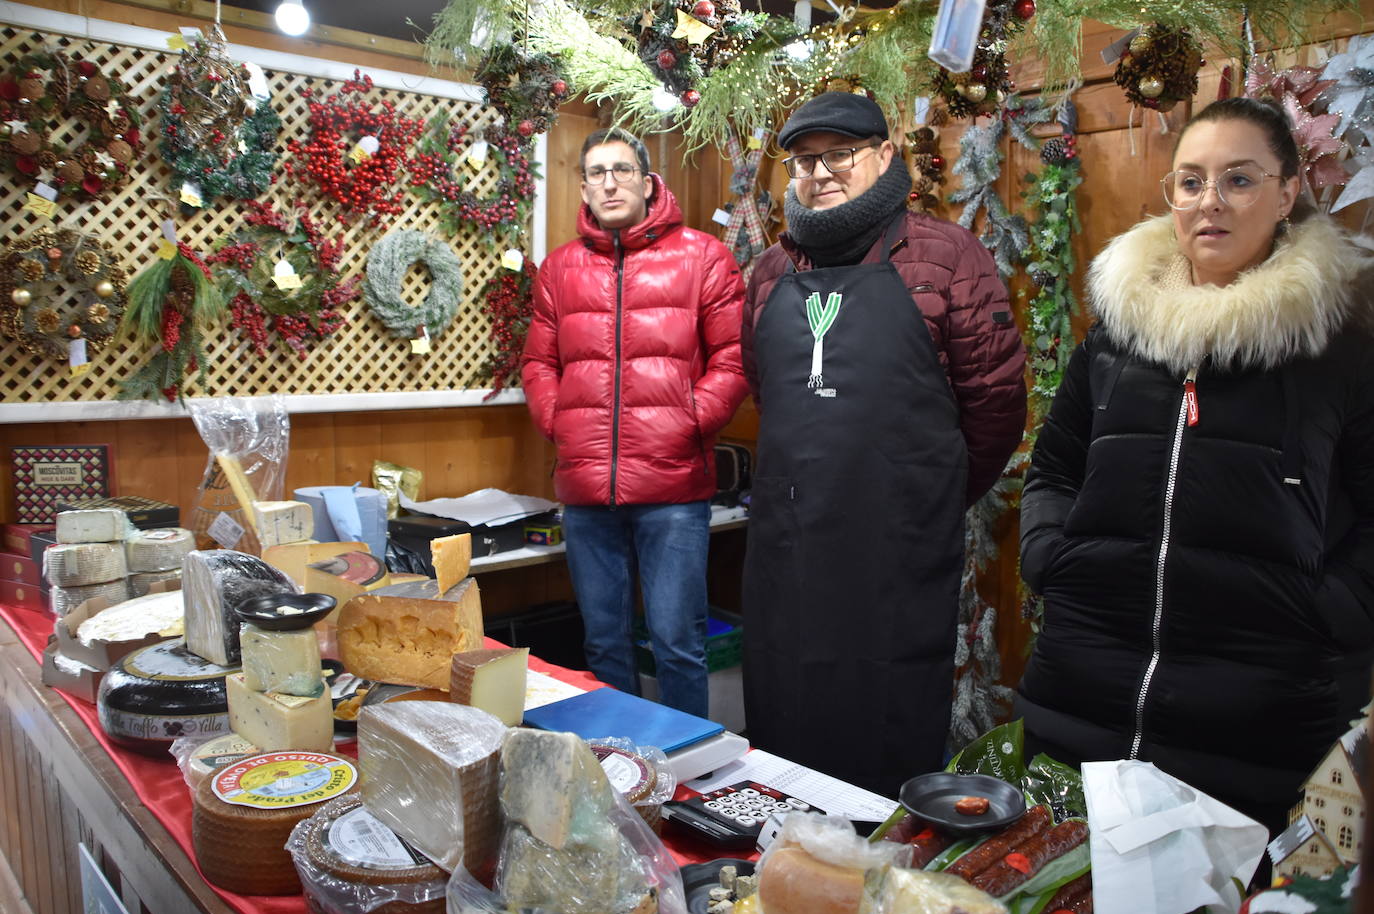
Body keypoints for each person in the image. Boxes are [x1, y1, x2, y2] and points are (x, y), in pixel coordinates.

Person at [1017, 96, 1374, 837]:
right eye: (1189, 181)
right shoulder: (1118, 334)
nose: (1209, 202)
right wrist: (1054, 561)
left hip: (1262, 727)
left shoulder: (1342, 349)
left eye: (1238, 180)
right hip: (1083, 697)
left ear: (1286, 193)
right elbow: (1054, 469)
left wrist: (1327, 612)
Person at [740, 93, 1027, 796]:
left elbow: (995, 404)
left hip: (896, 551)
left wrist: (922, 496)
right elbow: (765, 389)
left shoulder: (946, 257)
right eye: (805, 160)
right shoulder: (772, 272)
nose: (820, 172)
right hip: (789, 546)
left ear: (885, 156)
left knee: (884, 727)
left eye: (840, 154)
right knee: (786, 726)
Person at [521, 128, 748, 718]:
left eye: (622, 170)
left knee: (678, 646)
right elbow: (538, 362)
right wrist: (559, 422)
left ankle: (685, 775)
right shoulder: (560, 268)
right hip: (587, 490)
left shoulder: (702, 257)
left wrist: (689, 419)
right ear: (585, 187)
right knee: (603, 646)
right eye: (597, 172)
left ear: (648, 183)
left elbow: (735, 357)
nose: (610, 182)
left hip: (673, 488)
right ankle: (622, 775)